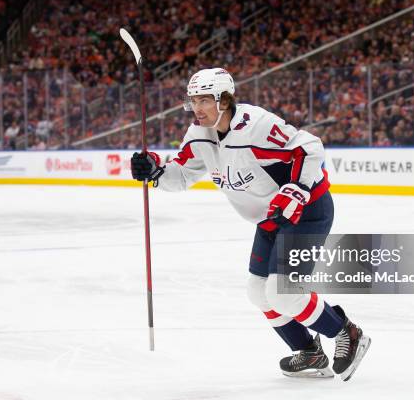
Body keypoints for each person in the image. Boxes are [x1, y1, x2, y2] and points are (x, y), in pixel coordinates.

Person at [131, 68, 371, 380]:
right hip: (270, 219)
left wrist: (297, 188)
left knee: (284, 292)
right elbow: (182, 174)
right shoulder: (199, 135)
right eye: (193, 100)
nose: (197, 108)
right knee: (259, 292)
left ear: (225, 99)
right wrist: (155, 173)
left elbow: (308, 147)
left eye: (205, 99)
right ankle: (309, 352)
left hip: (306, 210)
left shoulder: (256, 125)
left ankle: (347, 332)